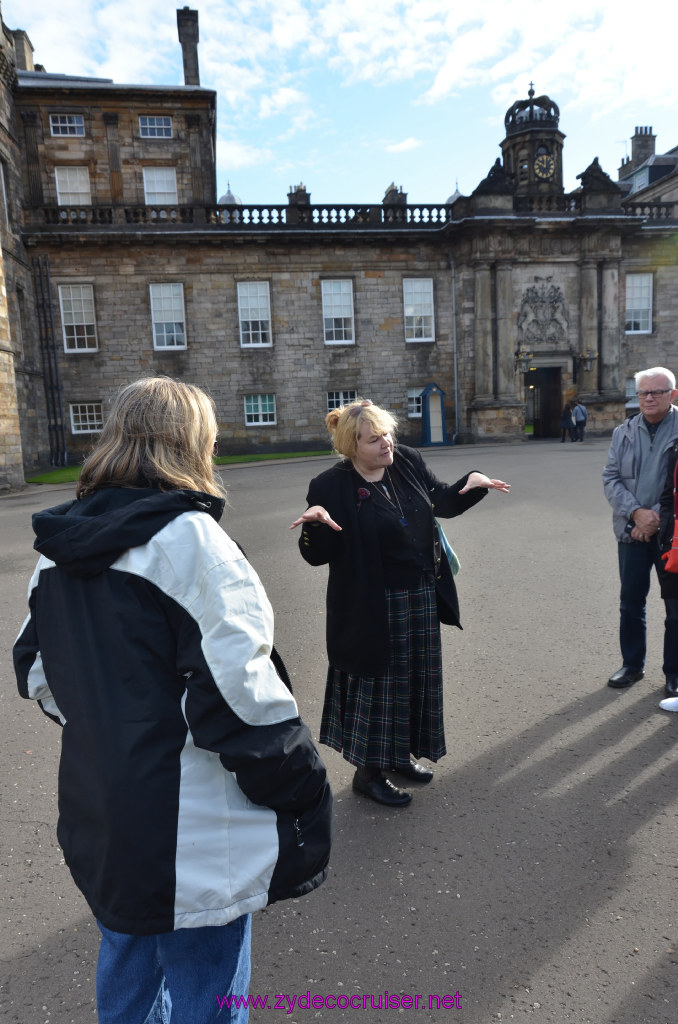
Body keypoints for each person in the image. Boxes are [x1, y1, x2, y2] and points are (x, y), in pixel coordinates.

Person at [13, 377, 332, 1024]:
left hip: (102, 808)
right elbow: (241, 698)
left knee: (127, 968)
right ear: (193, 444)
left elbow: (38, 672)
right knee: (208, 992)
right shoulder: (191, 543)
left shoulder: (53, 553)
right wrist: (303, 790)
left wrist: (111, 727)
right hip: (191, 826)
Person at [290, 399, 510, 808]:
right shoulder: (329, 486)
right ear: (351, 446)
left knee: (413, 683)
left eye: (388, 434)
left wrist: (472, 483)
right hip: (371, 604)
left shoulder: (406, 460)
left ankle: (398, 757)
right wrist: (314, 526)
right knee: (379, 688)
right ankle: (367, 774)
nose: (387, 444)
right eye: (374, 440)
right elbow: (317, 554)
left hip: (419, 597)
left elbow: (440, 500)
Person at [602, 366, 678, 694]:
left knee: (676, 607)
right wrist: (636, 513)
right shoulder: (624, 432)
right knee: (631, 602)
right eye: (643, 392)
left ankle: (674, 673)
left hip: (672, 535)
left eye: (657, 392)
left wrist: (655, 519)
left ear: (672, 395)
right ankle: (632, 665)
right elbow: (611, 478)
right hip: (630, 531)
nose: (649, 398)